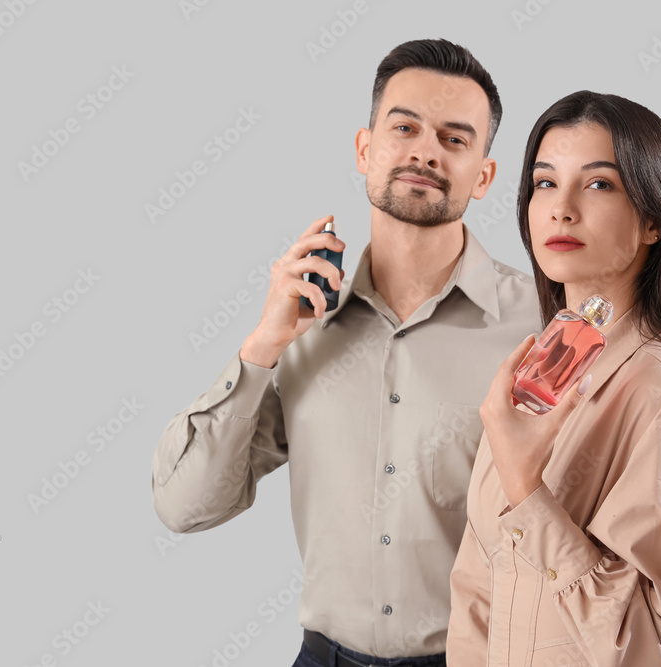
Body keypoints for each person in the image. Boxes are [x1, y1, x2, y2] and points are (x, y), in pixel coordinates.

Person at [151, 39, 541, 667]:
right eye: (405, 127)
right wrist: (263, 348)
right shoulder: (302, 323)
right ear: (365, 150)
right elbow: (184, 506)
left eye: (454, 139)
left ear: (485, 175)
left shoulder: (540, 328)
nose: (424, 150)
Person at [446, 91, 661, 667]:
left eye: (598, 184)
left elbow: (645, 650)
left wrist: (528, 491)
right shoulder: (530, 375)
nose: (562, 208)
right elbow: (477, 596)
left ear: (654, 218)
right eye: (545, 183)